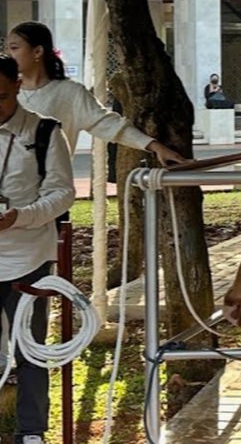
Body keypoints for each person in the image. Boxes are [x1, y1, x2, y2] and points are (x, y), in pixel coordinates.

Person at [0, 56, 75, 444]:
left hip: (28, 258)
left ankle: (31, 431)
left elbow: (63, 194)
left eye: (0, 97)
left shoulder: (43, 131)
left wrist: (20, 217)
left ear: (17, 86)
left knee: (30, 348)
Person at [6, 22, 186, 169]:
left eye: (14, 48)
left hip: (50, 193)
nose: (9, 55)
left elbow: (108, 124)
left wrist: (154, 146)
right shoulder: (6, 91)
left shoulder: (70, 93)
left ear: (37, 51)